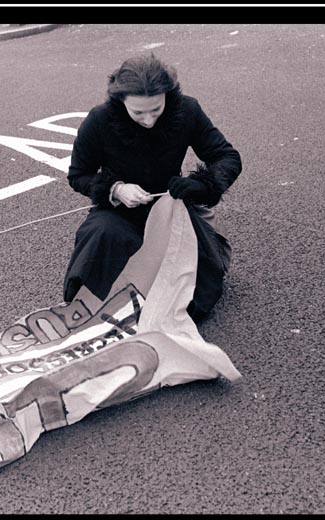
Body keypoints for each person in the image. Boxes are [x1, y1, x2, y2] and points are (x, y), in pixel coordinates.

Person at [63, 54, 242, 322]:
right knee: (103, 236)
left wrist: (200, 184)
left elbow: (227, 157)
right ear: (120, 100)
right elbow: (78, 174)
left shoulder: (187, 110)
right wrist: (116, 189)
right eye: (138, 112)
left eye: (156, 110)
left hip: (172, 206)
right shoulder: (99, 120)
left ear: (167, 96)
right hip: (118, 211)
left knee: (199, 288)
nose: (148, 120)